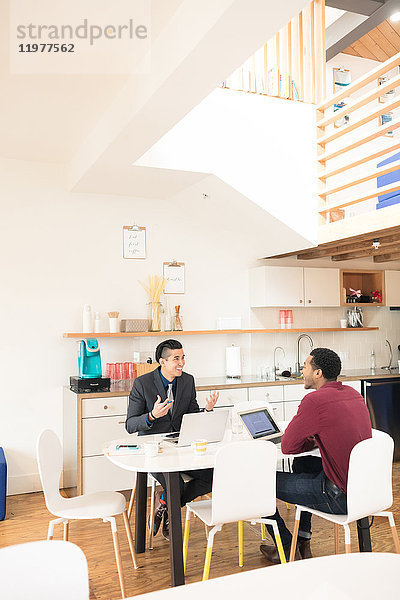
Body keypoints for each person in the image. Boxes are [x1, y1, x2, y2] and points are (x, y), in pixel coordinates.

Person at [260, 347, 372, 563]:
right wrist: (317, 439)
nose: (302, 371)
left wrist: (311, 439)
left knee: (257, 481)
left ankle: (285, 548)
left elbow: (288, 446)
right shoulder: (353, 394)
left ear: (318, 373)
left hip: (338, 497)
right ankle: (302, 543)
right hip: (362, 493)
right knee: (304, 465)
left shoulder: (315, 401)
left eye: (304, 367)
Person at [126, 339, 219, 540]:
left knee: (213, 476)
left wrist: (208, 411)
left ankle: (165, 505)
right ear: (162, 361)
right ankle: (171, 511)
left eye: (183, 357)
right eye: (176, 358)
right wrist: (152, 416)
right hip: (154, 450)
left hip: (182, 446)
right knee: (175, 483)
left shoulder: (187, 381)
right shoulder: (142, 384)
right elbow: (130, 424)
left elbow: (192, 416)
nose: (182, 363)